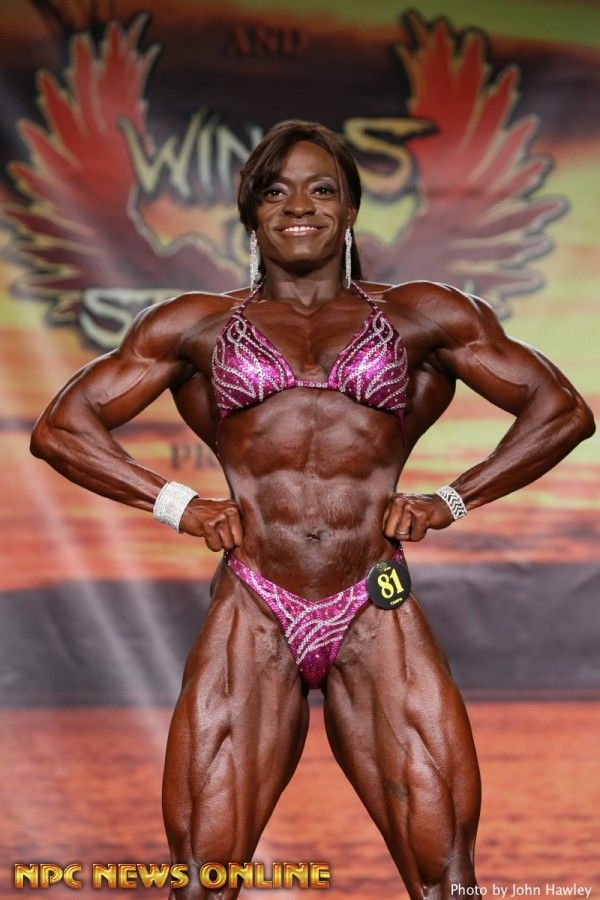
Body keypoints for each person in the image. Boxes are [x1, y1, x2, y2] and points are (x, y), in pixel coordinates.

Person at [30, 120, 594, 900]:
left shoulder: (420, 315)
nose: (300, 206)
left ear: (351, 208)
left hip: (376, 597)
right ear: (252, 213)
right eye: (277, 191)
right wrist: (176, 503)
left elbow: (561, 409)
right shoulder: (196, 324)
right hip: (254, 602)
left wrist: (451, 499)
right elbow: (62, 427)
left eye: (322, 188)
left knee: (446, 878)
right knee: (203, 879)